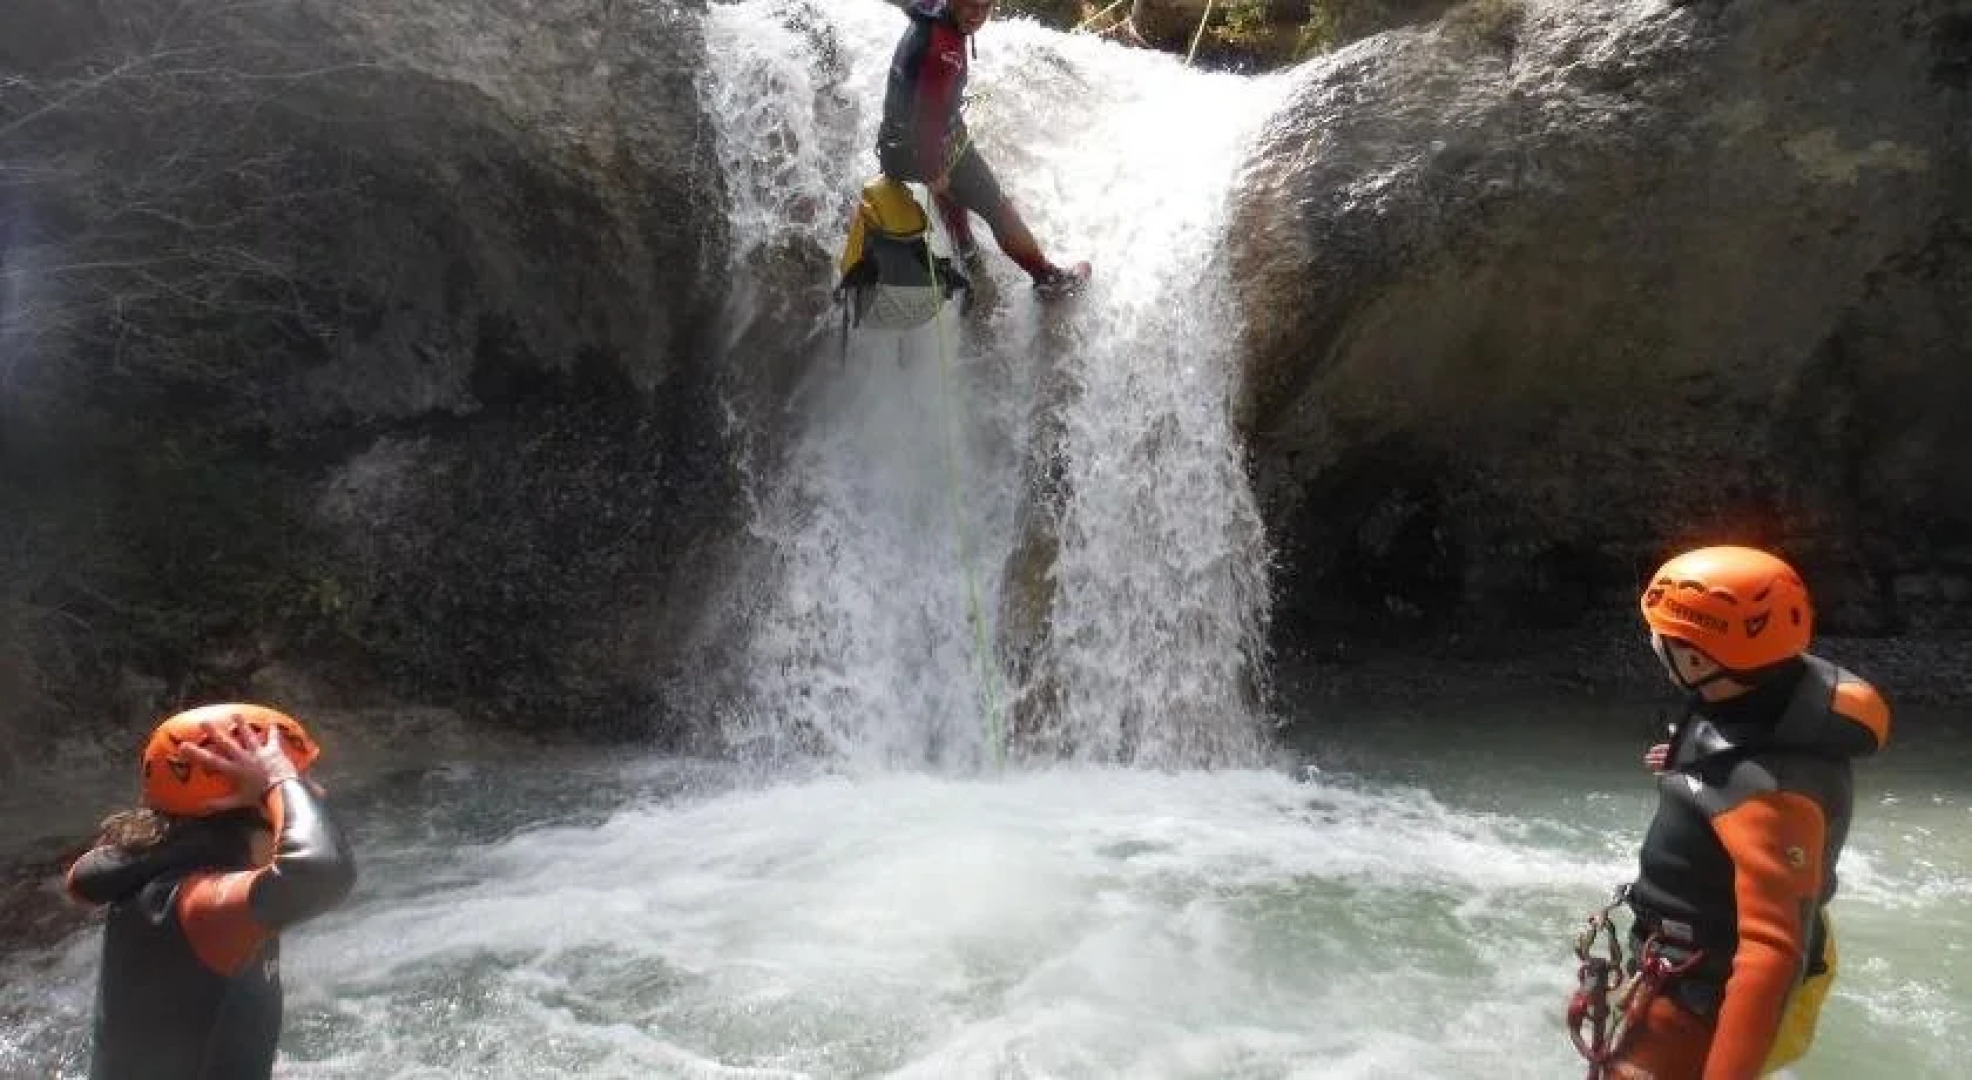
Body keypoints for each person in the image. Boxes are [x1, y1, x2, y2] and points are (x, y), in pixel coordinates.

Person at [1586, 545, 1891, 1080]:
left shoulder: (1771, 790)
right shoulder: (1767, 689)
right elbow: (1726, 758)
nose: (1652, 642)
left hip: (1704, 986)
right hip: (1687, 960)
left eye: (1664, 638)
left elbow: (1771, 956)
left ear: (1699, 661)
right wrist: (1687, 764)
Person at [66, 703, 357, 1080]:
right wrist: (280, 781)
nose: (315, 792)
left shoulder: (162, 869)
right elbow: (321, 873)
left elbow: (82, 878)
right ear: (239, 808)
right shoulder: (200, 906)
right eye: (300, 779)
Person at [877, 0, 1091, 297]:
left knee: (956, 182)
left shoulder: (930, 13)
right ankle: (1047, 278)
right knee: (997, 206)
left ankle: (967, 253)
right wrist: (932, 171)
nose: (977, 16)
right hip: (924, 149)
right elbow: (928, 119)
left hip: (892, 147)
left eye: (985, 7)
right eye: (970, 6)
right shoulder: (945, 51)